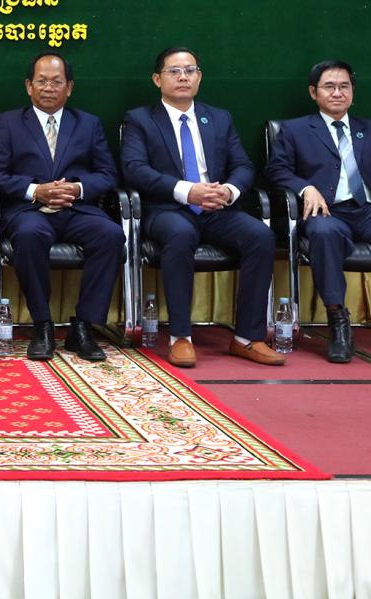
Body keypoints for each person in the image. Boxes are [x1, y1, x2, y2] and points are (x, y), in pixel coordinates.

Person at [265, 59, 371, 367]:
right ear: (314, 92)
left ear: (353, 92)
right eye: (329, 87)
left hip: (370, 213)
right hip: (326, 212)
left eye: (344, 86)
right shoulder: (294, 130)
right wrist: (306, 188)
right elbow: (276, 171)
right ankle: (339, 323)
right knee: (324, 233)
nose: (337, 93)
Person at [119, 48, 282, 368]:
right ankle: (181, 337)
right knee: (180, 234)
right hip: (167, 209)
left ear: (199, 77)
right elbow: (134, 169)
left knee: (260, 236)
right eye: (174, 71)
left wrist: (228, 191)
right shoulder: (140, 119)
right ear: (157, 79)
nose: (183, 77)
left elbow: (243, 166)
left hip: (217, 208)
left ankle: (247, 338)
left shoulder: (219, 118)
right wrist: (187, 191)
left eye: (190, 70)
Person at [0, 52, 122, 363]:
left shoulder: (88, 124)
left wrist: (77, 188)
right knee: (29, 236)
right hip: (29, 210)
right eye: (41, 81)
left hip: (77, 209)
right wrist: (37, 190)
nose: (48, 88)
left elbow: (108, 174)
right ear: (28, 86)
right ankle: (42, 325)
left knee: (111, 235)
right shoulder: (9, 123)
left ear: (69, 87)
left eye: (56, 82)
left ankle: (83, 327)